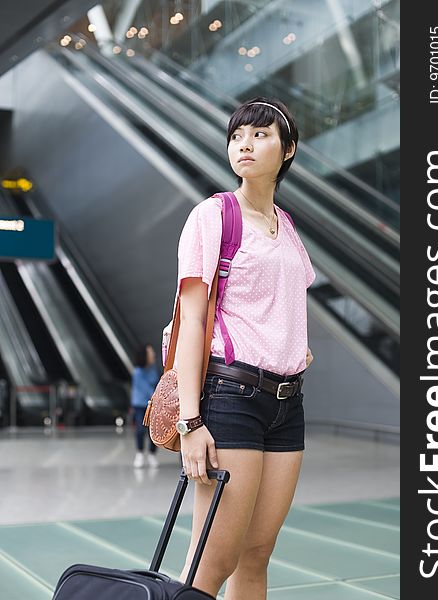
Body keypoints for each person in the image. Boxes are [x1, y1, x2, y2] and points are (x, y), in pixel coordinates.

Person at [173, 96, 315, 598]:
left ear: (288, 149)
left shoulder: (288, 226)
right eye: (237, 136)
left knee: (256, 557)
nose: (245, 145)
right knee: (212, 562)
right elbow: (193, 320)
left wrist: (295, 348)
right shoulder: (214, 216)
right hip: (230, 397)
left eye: (260, 135)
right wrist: (190, 422)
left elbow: (285, 302)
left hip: (286, 403)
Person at [131, 343, 160, 468]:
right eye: (150, 352)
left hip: (152, 404)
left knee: (153, 431)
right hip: (140, 404)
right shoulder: (137, 372)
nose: (152, 354)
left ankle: (152, 454)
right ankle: (139, 454)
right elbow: (146, 389)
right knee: (140, 429)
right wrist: (157, 397)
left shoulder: (153, 368)